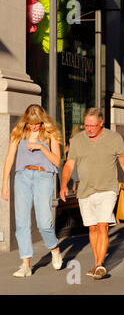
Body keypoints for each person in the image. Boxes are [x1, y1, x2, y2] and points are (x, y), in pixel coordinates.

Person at [60, 108, 124, 280]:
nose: (89, 129)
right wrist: (63, 185)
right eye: (86, 125)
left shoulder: (114, 138)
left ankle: (99, 264)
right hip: (85, 191)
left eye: (93, 126)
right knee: (92, 227)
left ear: (101, 123)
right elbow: (69, 164)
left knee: (102, 225)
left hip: (107, 189)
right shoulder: (77, 140)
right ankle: (96, 262)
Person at [2, 104, 63, 278]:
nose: (33, 127)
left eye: (36, 124)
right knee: (21, 223)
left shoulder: (50, 133)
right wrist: (4, 184)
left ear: (42, 121)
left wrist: (41, 147)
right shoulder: (18, 131)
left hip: (43, 177)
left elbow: (57, 161)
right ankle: (25, 265)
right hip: (22, 177)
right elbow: (9, 157)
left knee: (44, 223)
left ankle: (54, 248)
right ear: (26, 120)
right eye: (31, 124)